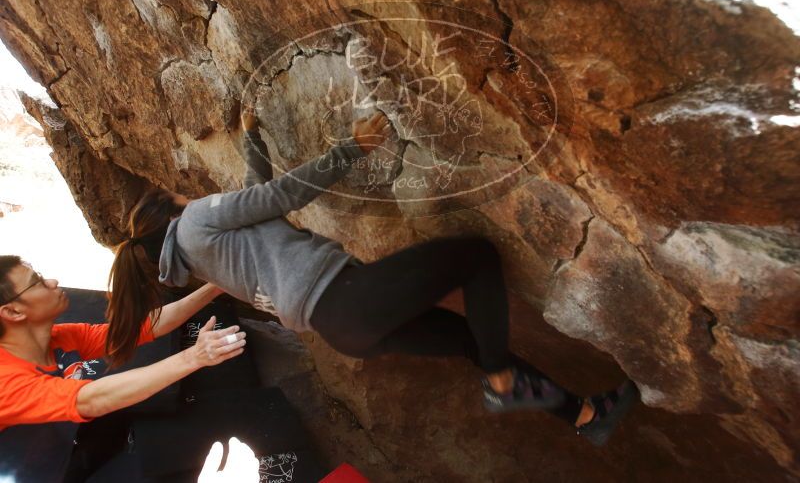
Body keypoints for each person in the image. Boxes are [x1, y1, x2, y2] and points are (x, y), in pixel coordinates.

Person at [106, 110, 638, 445]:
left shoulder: (196, 256)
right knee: (476, 254)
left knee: (467, 339)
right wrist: (352, 148)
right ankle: (503, 382)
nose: (184, 195)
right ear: (168, 214)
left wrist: (252, 143)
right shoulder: (196, 221)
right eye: (175, 196)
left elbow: (256, 202)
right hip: (347, 297)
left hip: (344, 329)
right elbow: (281, 197)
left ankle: (586, 415)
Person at [0, 255, 246, 429]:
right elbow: (91, 399)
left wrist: (215, 288)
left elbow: (141, 329)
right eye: (38, 281)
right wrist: (194, 357)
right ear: (13, 312)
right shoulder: (5, 383)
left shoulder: (60, 337)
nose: (52, 281)